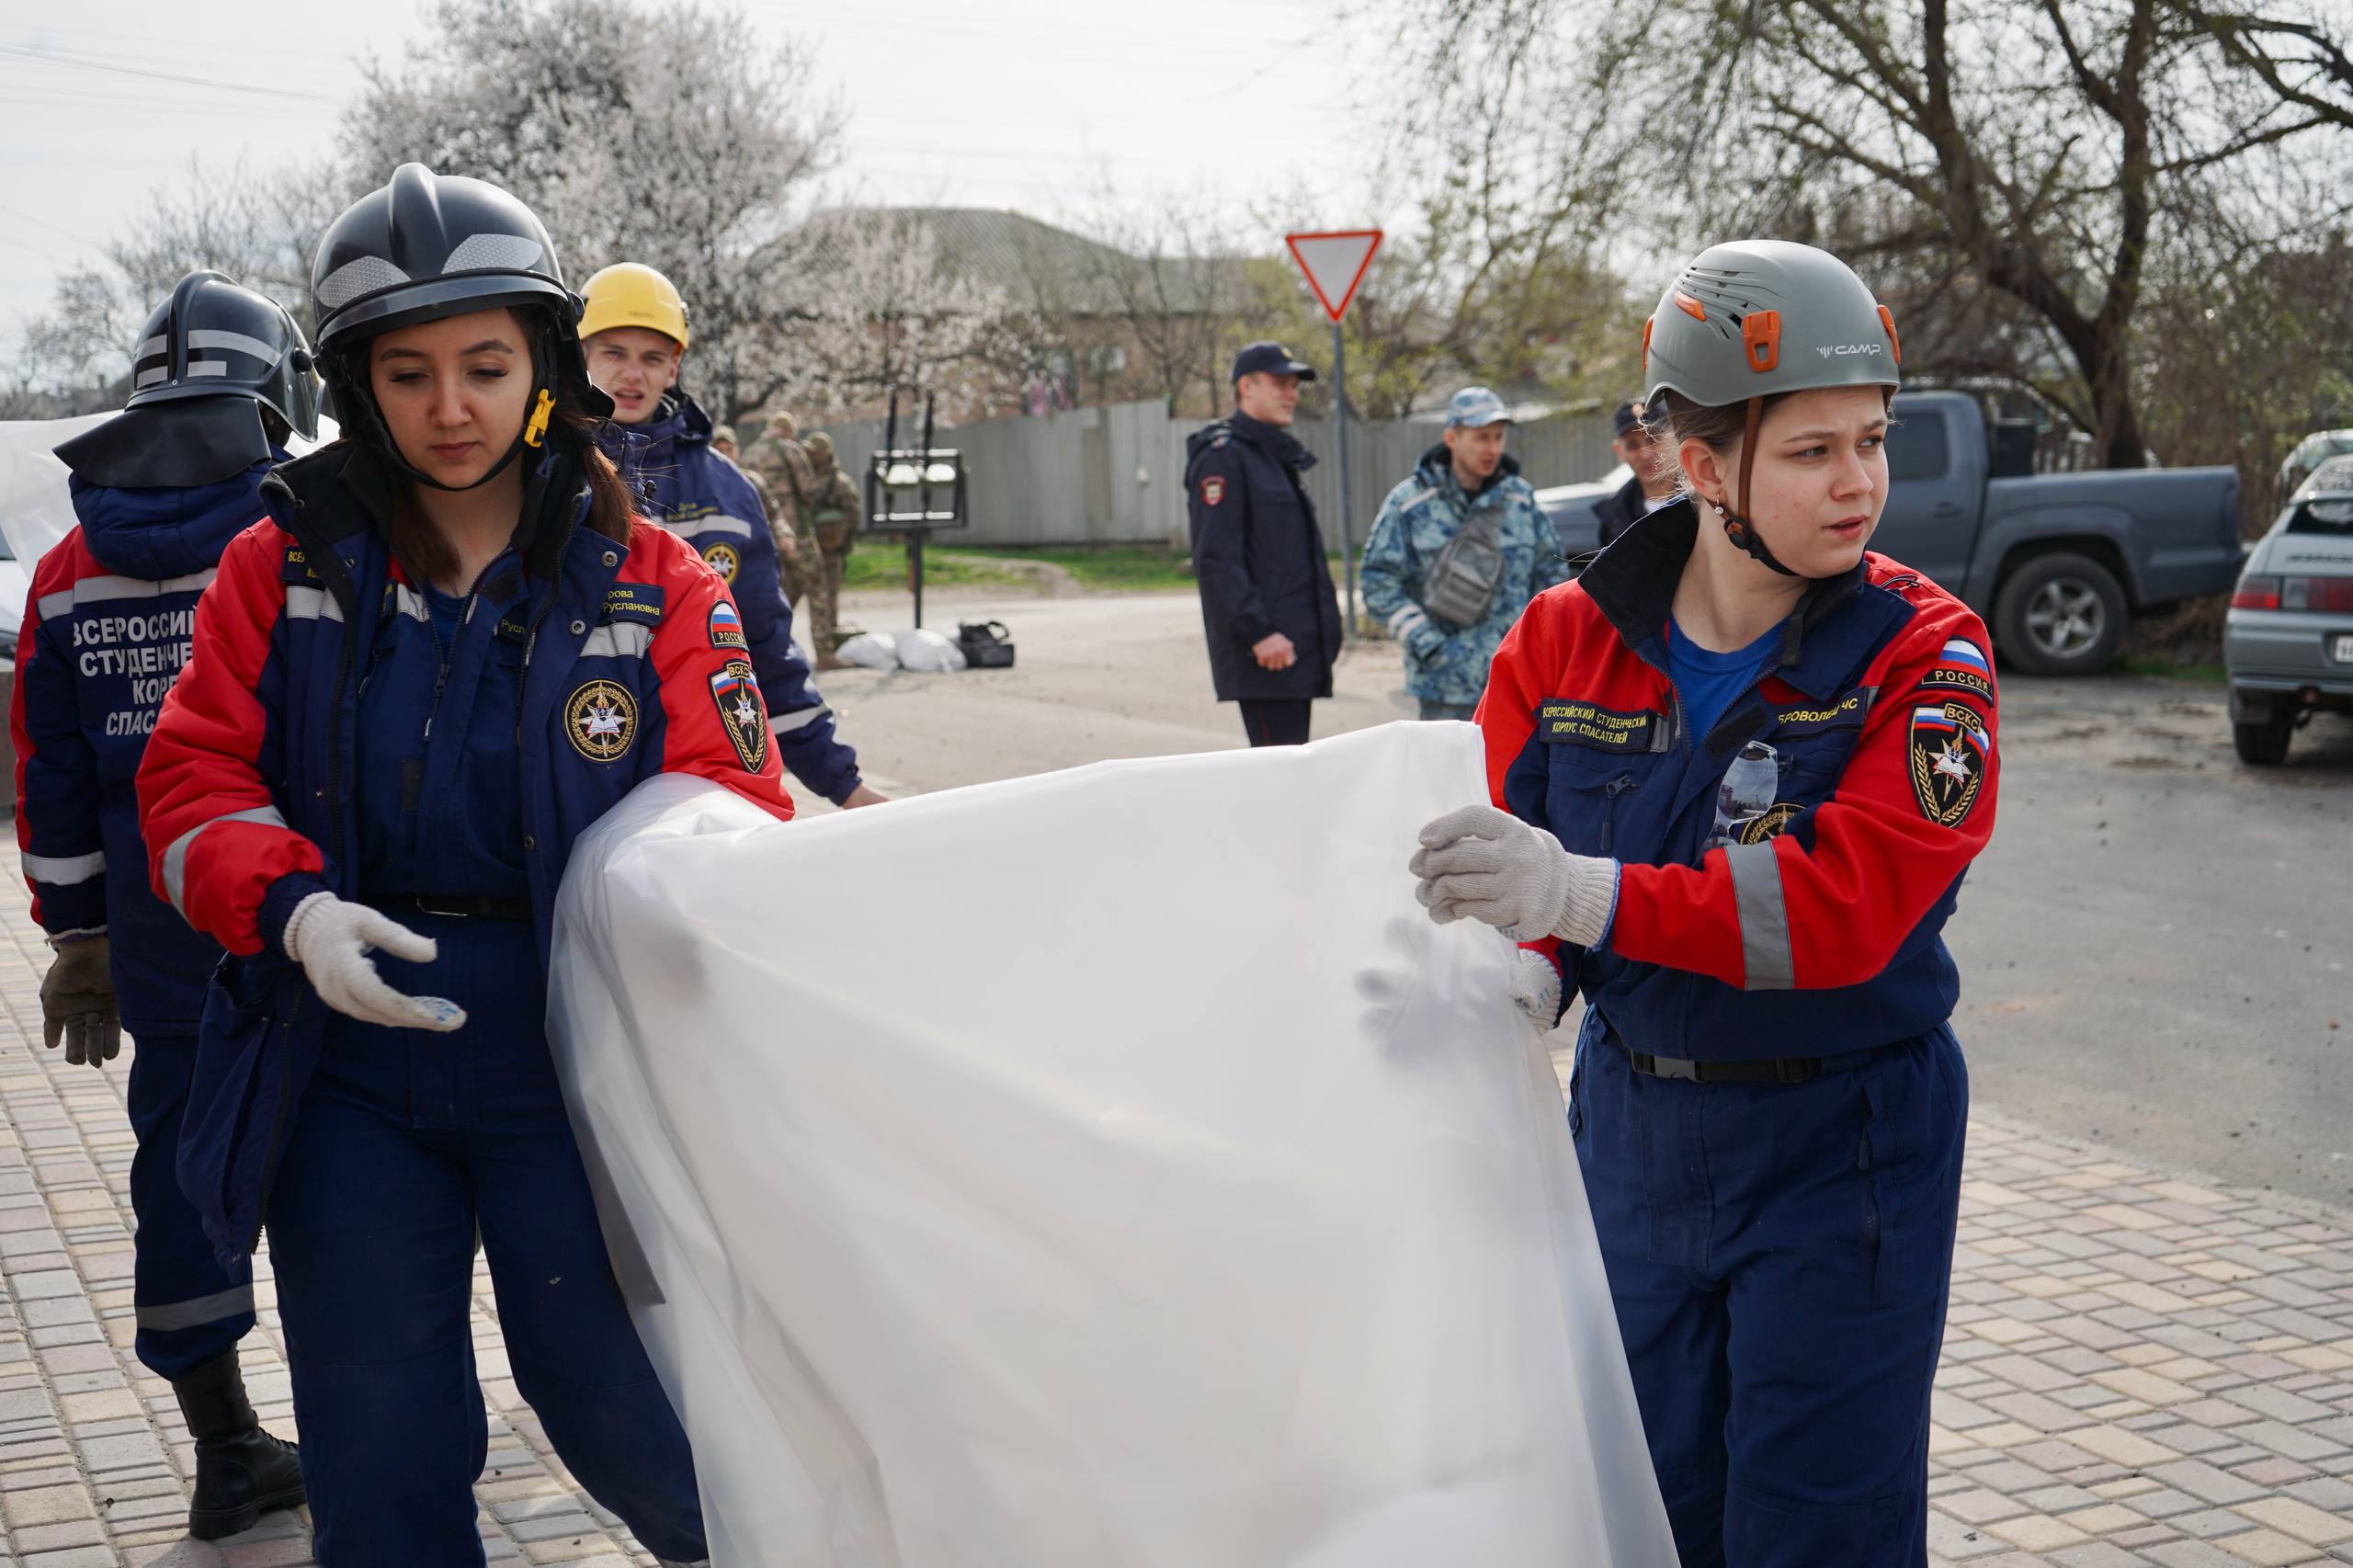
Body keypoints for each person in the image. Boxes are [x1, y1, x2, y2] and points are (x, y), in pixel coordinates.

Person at [135, 164, 791, 1568]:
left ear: (546, 365)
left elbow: (742, 810)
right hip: (346, 1058)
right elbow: (188, 779)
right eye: (408, 372)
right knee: (382, 1452)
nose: (450, 407)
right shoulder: (280, 565)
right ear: (352, 388)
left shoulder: (660, 578)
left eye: (487, 365)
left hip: (577, 1054)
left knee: (639, 1416)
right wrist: (293, 909)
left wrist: (687, 921)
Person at [1410, 240, 1995, 1568]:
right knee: (1641, 1508)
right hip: (1631, 1131)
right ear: (1696, 458)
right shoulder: (1560, 640)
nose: (1859, 483)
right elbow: (1517, 857)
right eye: (1810, 451)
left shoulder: (1926, 651)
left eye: (1872, 439)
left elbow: (1846, 909)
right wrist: (1527, 963)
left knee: (1816, 1528)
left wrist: (1582, 894)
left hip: (1841, 1144)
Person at [11, 270, 313, 1541]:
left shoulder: (68, 570)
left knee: (183, 1184)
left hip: (161, 941)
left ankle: (224, 1448)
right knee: (346, 1180)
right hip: (303, 924)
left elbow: (52, 774)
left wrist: (80, 937)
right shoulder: (303, 531)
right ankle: (380, 1414)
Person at [578, 264, 883, 807]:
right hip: (573, 778)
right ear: (579, 359)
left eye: (652, 358)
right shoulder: (544, 473)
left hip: (698, 789)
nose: (633, 374)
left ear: (674, 368)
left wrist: (844, 785)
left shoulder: (730, 492)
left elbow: (763, 651)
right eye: (614, 353)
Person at [1359, 386, 1566, 722]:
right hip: (1444, 686)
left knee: (1511, 776)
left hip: (1515, 681)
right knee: (1445, 775)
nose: (1493, 448)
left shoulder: (1520, 500)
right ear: (1452, 437)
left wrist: (1536, 646)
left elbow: (1552, 575)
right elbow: (1377, 581)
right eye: (1481, 437)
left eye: (1498, 437)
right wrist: (1429, 645)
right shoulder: (1410, 503)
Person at [1184, 341, 1344, 746]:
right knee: (1281, 782)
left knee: (1288, 778)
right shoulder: (1223, 456)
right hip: (1267, 653)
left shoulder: (1271, 456)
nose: (1291, 394)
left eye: (1295, 385)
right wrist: (1259, 632)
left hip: (1291, 649)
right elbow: (1217, 558)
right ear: (1246, 386)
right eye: (1280, 383)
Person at [740, 409, 816, 625]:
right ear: (789, 431)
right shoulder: (790, 449)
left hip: (761, 531)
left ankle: (774, 633)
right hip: (793, 532)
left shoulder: (748, 453)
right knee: (816, 584)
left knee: (775, 586)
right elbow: (809, 490)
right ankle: (825, 650)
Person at [795, 431, 862, 663]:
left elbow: (853, 515)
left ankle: (829, 650)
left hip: (828, 552)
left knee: (827, 602)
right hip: (800, 549)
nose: (810, 455)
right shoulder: (802, 479)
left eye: (815, 451)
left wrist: (840, 542)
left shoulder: (838, 483)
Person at [1594, 397, 1681, 549]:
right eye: (1632, 445)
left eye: (1653, 438)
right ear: (1619, 451)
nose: (1645, 454)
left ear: (1675, 437)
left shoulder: (1708, 500)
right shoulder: (1615, 517)